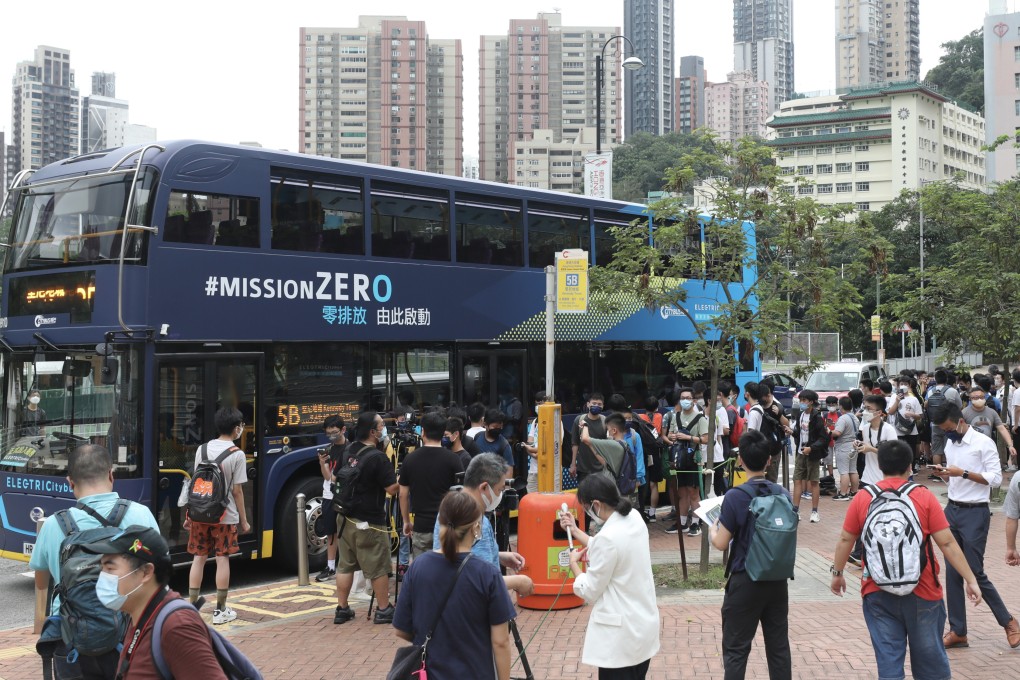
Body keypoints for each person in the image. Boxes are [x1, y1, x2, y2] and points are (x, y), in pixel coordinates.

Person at [830, 439, 983, 680]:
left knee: (889, 666)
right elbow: (947, 543)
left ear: (880, 466)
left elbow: (845, 540)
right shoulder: (923, 496)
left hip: (877, 591)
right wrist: (970, 579)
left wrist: (837, 575)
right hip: (923, 591)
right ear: (910, 466)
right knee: (931, 666)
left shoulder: (863, 497)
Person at [30, 445, 160, 679]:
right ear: (111, 475)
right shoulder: (141, 515)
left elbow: (41, 583)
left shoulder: (53, 525)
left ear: (70, 482)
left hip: (71, 642)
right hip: (130, 637)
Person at [394, 491, 516, 680]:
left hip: (429, 673)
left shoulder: (418, 567)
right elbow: (501, 641)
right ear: (476, 528)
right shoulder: (487, 574)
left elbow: (401, 629)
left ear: (440, 522)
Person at [83, 526, 228, 680]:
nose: (103, 577)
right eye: (102, 569)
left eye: (110, 568)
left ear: (145, 573)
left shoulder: (177, 626)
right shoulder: (138, 616)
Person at [931, 404, 1020, 649]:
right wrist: (945, 474)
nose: (947, 433)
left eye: (948, 429)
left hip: (975, 512)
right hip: (952, 509)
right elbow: (953, 476)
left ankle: (1009, 622)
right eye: (942, 431)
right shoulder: (951, 443)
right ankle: (958, 630)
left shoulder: (983, 442)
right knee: (952, 572)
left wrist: (964, 473)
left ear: (960, 421)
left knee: (974, 571)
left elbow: (995, 479)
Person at [558, 474, 660, 679]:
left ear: (596, 504)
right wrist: (576, 530)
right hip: (643, 627)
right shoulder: (634, 517)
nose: (588, 512)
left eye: (587, 507)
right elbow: (606, 545)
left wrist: (574, 567)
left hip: (620, 639)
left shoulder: (608, 538)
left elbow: (590, 590)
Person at [710, 430, 793, 680]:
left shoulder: (735, 496)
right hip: (777, 580)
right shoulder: (783, 493)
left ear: (740, 461)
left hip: (746, 579)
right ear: (769, 460)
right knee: (779, 648)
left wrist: (712, 530)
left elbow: (722, 543)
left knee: (736, 650)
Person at [432, 453, 534, 598]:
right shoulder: (478, 522)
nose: (500, 495)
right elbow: (481, 580)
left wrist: (497, 555)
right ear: (485, 487)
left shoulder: (447, 511)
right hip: (474, 608)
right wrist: (519, 581)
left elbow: (459, 557)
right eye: (499, 490)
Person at [333, 411, 400, 625]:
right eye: (381, 425)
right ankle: (383, 609)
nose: (383, 428)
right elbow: (391, 488)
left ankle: (342, 608)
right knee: (378, 566)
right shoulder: (378, 458)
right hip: (370, 522)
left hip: (344, 518)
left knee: (344, 565)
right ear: (372, 432)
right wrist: (402, 479)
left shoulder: (348, 450)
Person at [186, 407, 250, 625]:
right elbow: (237, 491)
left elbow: (196, 483)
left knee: (199, 558)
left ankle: (193, 607)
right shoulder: (237, 454)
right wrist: (243, 520)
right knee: (222, 559)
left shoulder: (202, 449)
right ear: (235, 428)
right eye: (241, 425)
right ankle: (220, 610)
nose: (242, 428)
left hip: (199, 513)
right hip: (225, 515)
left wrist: (189, 513)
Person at [399, 411, 464, 560]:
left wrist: (406, 522)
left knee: (423, 572)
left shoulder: (410, 459)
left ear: (423, 432)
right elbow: (462, 494)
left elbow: (403, 494)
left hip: (421, 526)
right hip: (447, 526)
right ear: (443, 433)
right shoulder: (454, 460)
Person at [665, 388, 709, 536]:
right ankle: (682, 522)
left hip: (693, 460)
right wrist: (672, 437)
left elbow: (705, 439)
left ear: (694, 400)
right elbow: (670, 434)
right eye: (683, 398)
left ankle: (696, 524)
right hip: (678, 459)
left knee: (693, 492)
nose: (685, 400)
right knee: (681, 491)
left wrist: (689, 438)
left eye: (688, 398)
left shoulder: (700, 418)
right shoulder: (675, 416)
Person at [314, 415, 348, 583]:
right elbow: (328, 478)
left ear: (343, 430)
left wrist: (332, 476)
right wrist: (322, 463)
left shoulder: (351, 450)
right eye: (328, 433)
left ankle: (345, 565)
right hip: (329, 495)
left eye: (334, 432)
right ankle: (331, 566)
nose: (332, 436)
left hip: (345, 496)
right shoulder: (329, 449)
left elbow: (337, 478)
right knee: (331, 532)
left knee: (344, 532)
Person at [792, 389, 827, 523]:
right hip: (801, 453)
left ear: (811, 402)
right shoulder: (800, 415)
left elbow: (823, 438)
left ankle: (814, 512)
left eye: (804, 400)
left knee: (814, 482)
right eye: (801, 400)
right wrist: (792, 432)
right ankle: (795, 511)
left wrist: (811, 448)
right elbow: (799, 433)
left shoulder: (817, 417)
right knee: (797, 480)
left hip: (812, 454)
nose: (802, 403)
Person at [962, 385, 1017, 461]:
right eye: (976, 398)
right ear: (970, 399)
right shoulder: (964, 413)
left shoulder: (992, 412)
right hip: (970, 448)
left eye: (981, 397)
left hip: (988, 447)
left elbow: (1001, 428)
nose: (979, 399)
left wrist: (1010, 445)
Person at [927, 368, 963, 484]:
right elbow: (959, 406)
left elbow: (927, 405)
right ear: (946, 379)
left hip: (935, 423)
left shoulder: (930, 391)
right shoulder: (952, 391)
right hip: (949, 423)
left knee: (936, 449)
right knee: (949, 447)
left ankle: (937, 474)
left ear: (935, 380)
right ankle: (948, 472)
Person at [570, 393, 607, 483]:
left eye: (599, 404)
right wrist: (573, 464)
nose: (596, 406)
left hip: (600, 469)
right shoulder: (579, 420)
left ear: (603, 406)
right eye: (593, 403)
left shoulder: (605, 421)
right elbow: (575, 443)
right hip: (583, 469)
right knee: (584, 495)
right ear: (588, 404)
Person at [830, 397, 860, 500]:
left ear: (841, 406)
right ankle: (854, 491)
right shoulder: (854, 418)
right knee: (853, 470)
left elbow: (838, 432)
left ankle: (843, 493)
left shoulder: (843, 418)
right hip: (854, 445)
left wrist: (829, 431)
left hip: (843, 446)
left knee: (844, 471)